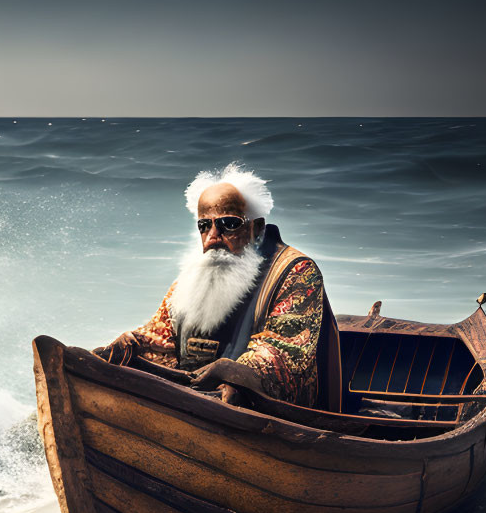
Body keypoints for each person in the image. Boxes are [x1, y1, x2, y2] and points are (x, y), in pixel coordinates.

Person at [97, 163, 341, 411]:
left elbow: (285, 353)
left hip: (265, 413)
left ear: (255, 229)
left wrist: (234, 374)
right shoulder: (190, 279)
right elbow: (161, 336)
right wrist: (132, 344)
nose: (213, 235)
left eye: (229, 224)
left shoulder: (296, 271)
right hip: (191, 401)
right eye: (204, 225)